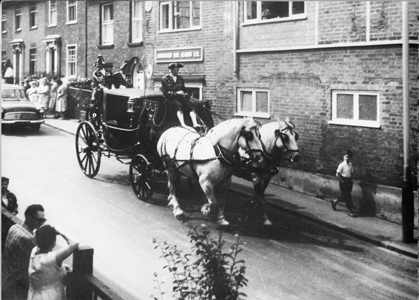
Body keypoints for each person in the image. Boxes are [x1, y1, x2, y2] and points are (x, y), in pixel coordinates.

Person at [2, 204, 46, 300]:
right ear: (30, 218)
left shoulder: (14, 227)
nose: (42, 223)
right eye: (40, 220)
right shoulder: (30, 240)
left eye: (43, 220)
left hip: (5, 275)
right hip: (16, 286)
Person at [27, 225, 79, 300]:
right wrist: (60, 231)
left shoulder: (34, 251)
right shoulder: (52, 258)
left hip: (34, 295)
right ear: (53, 242)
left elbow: (45, 268)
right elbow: (74, 243)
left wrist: (62, 267)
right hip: (50, 296)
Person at [161, 62, 201, 131]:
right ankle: (183, 124)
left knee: (189, 105)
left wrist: (185, 93)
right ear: (170, 70)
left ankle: (195, 123)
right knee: (179, 105)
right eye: (174, 70)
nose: (176, 72)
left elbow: (184, 88)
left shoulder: (180, 78)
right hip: (170, 99)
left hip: (180, 97)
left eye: (177, 70)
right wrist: (176, 93)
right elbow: (166, 93)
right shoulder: (165, 79)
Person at [331, 150, 356, 217]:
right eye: (347, 156)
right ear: (345, 157)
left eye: (349, 157)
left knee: (346, 195)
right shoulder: (342, 165)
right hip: (343, 181)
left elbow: (352, 172)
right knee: (347, 196)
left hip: (349, 181)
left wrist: (351, 179)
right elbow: (337, 174)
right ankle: (350, 210)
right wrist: (342, 181)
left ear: (351, 158)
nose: (348, 158)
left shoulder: (350, 164)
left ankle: (335, 202)